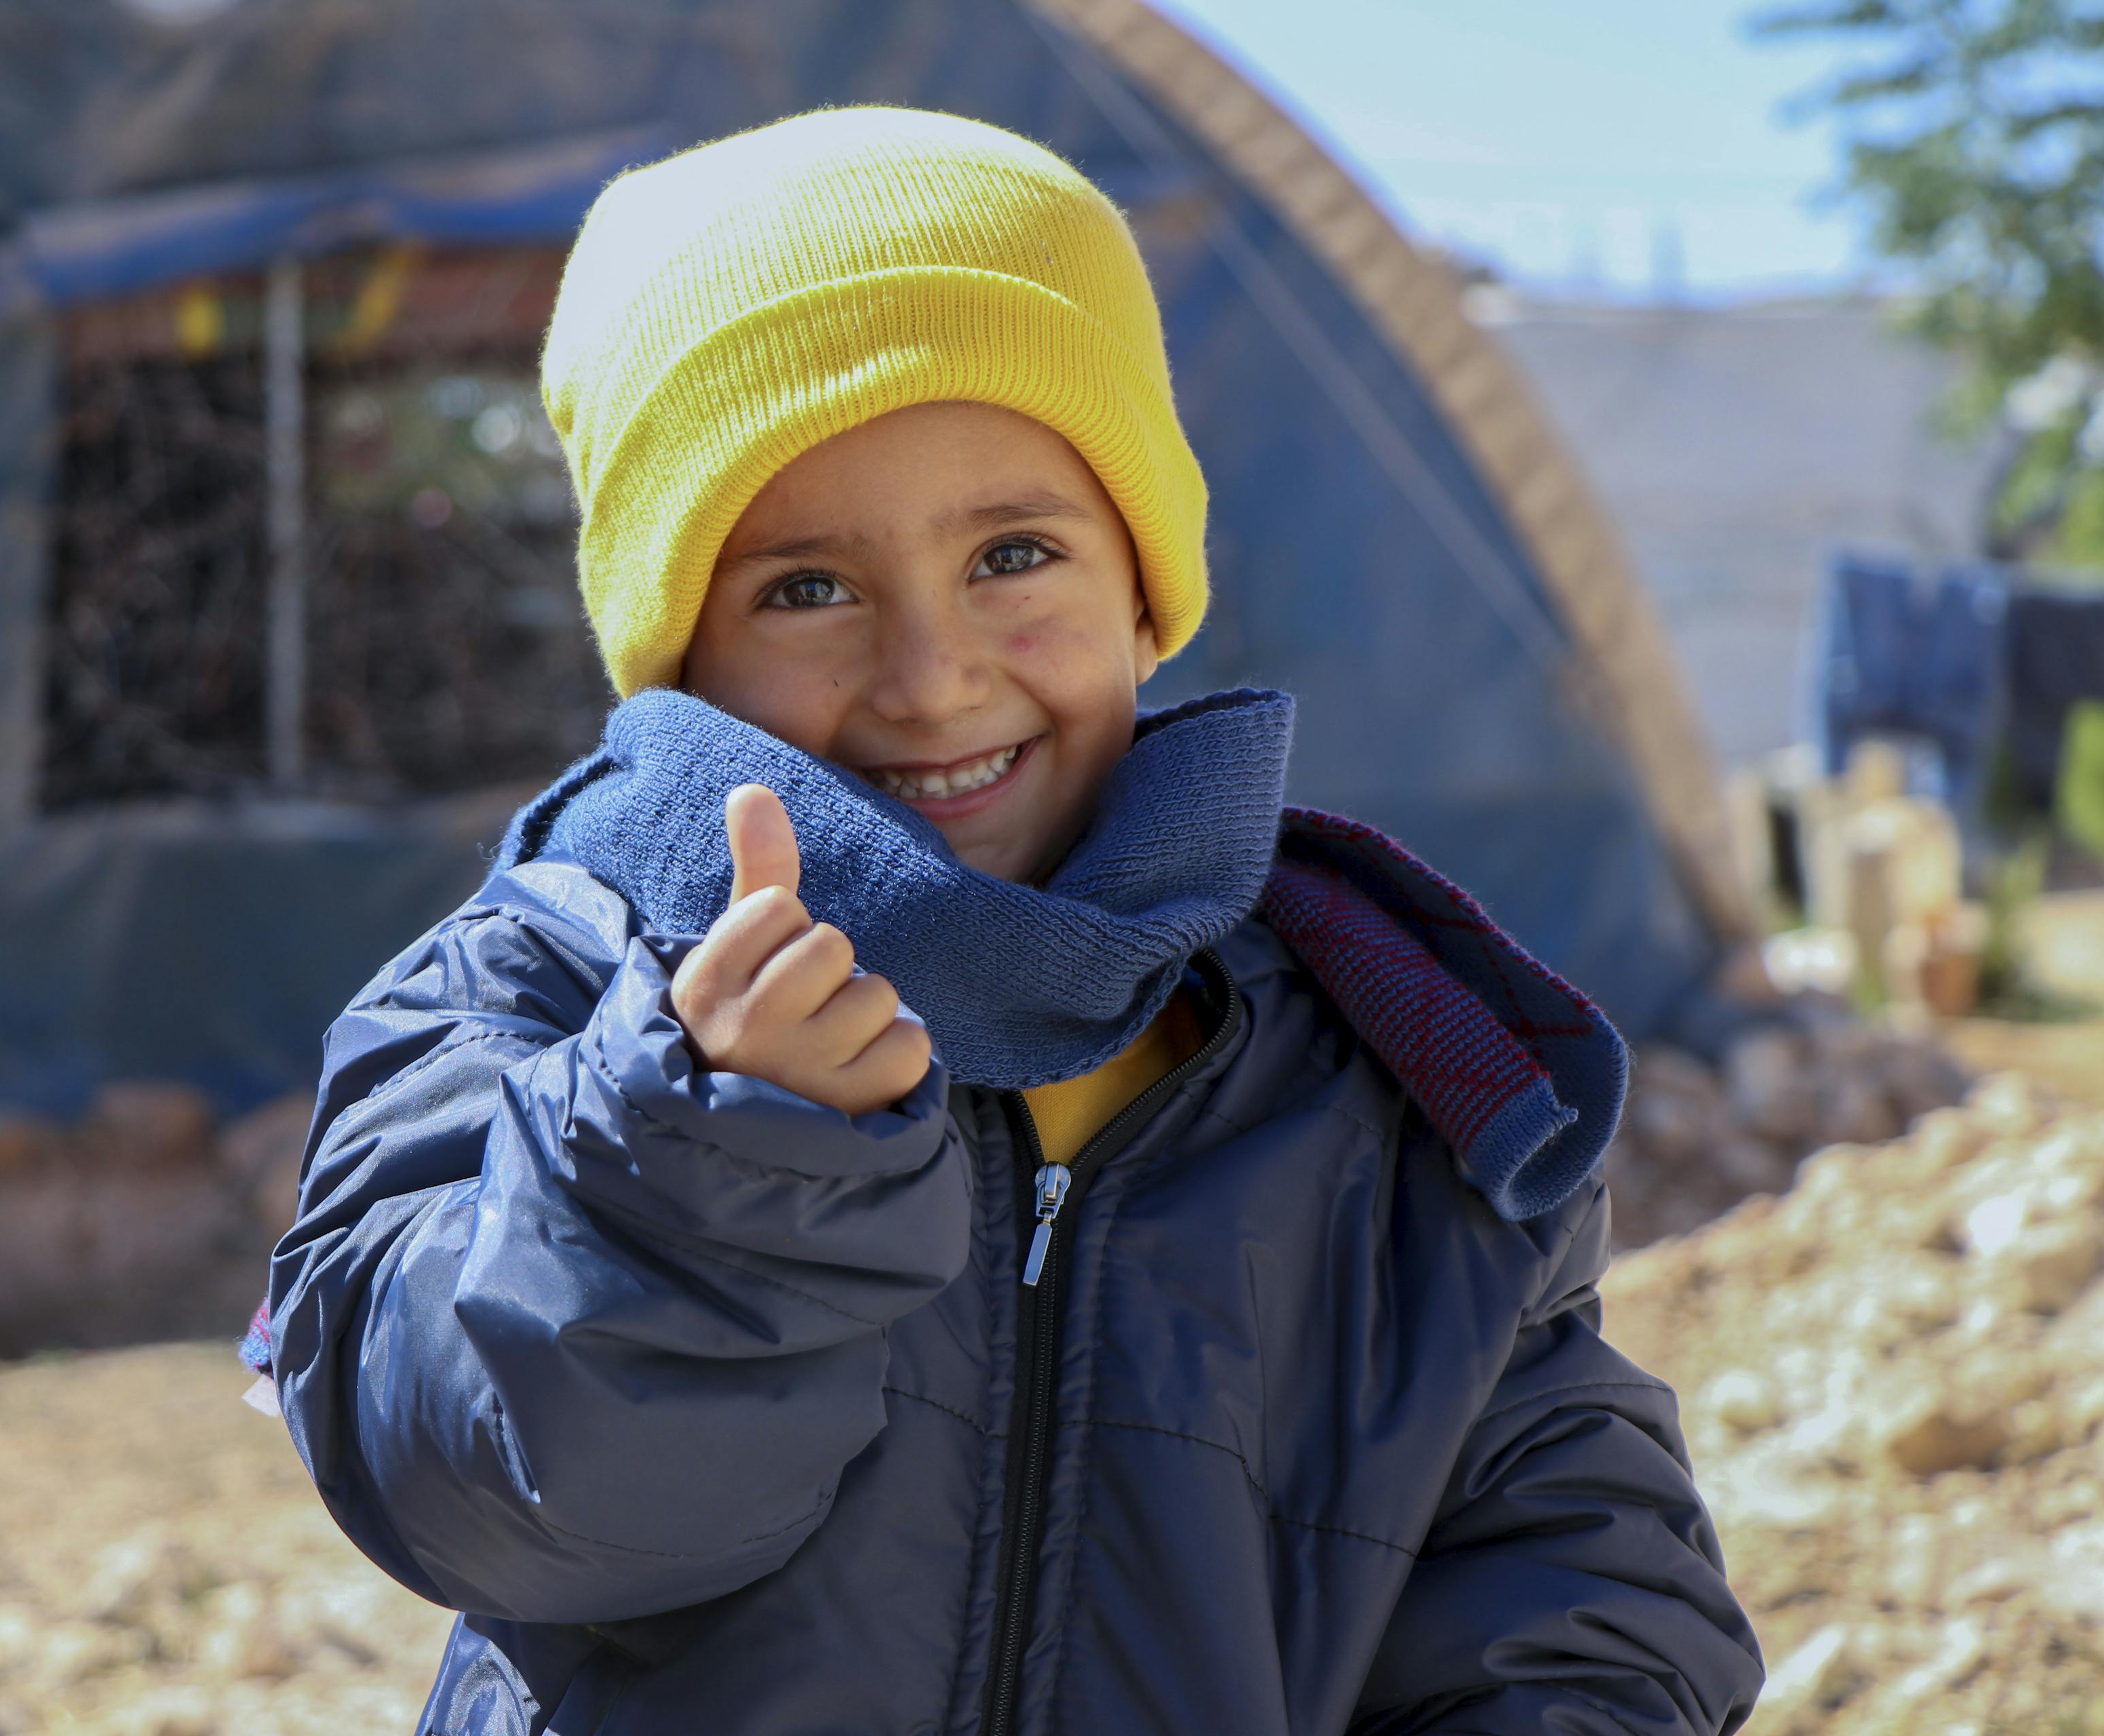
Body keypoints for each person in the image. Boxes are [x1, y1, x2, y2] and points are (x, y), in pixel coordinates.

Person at [248, 105, 1764, 1735]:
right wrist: (717, 1155)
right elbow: (472, 1483)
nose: (931, 675)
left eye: (1015, 554)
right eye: (805, 587)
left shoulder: (1382, 1065)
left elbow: (1557, 1565)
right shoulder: (528, 993)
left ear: (1145, 586)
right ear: (677, 644)